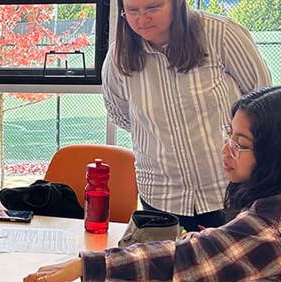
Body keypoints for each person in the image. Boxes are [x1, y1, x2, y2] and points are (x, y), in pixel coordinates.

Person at [21, 86, 281, 282]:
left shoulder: (271, 228)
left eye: (240, 144)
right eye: (229, 136)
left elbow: (189, 262)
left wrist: (84, 266)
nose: (226, 150)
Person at [103, 0, 271, 231]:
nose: (142, 20)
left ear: (177, 4)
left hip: (227, 189)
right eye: (132, 11)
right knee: (167, 265)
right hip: (161, 195)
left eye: (153, 8)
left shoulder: (219, 34)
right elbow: (120, 115)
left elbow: (261, 103)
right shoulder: (117, 58)